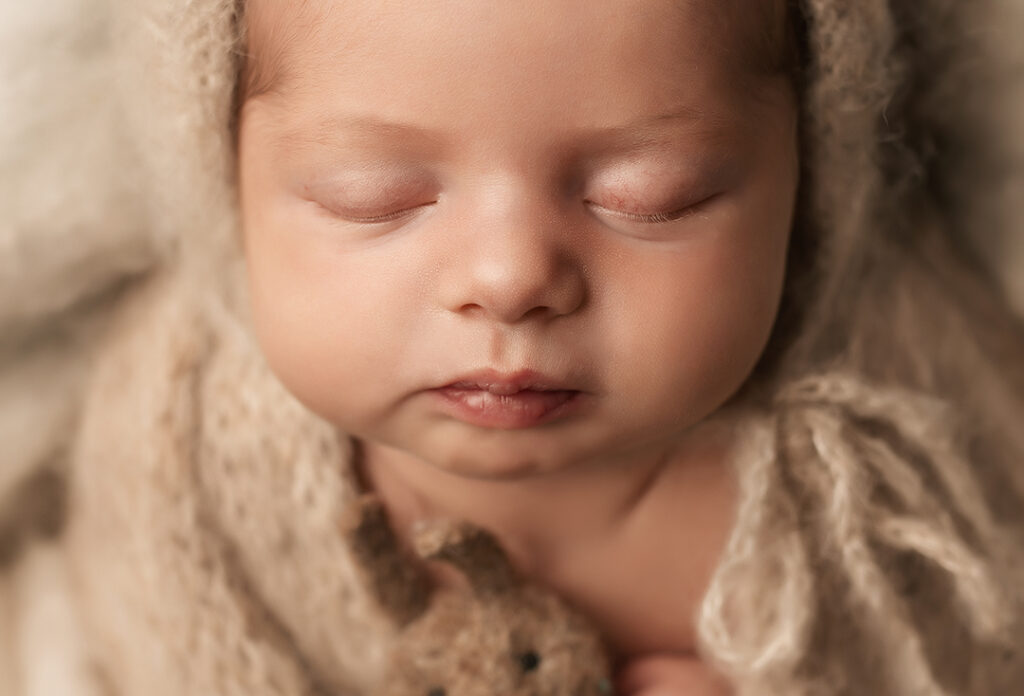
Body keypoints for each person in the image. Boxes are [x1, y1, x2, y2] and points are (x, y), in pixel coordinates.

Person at [1, 1, 1023, 695]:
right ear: (227, 192)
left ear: (810, 186)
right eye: (376, 200)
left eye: (646, 197)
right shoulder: (177, 439)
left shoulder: (904, 417)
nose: (509, 278)